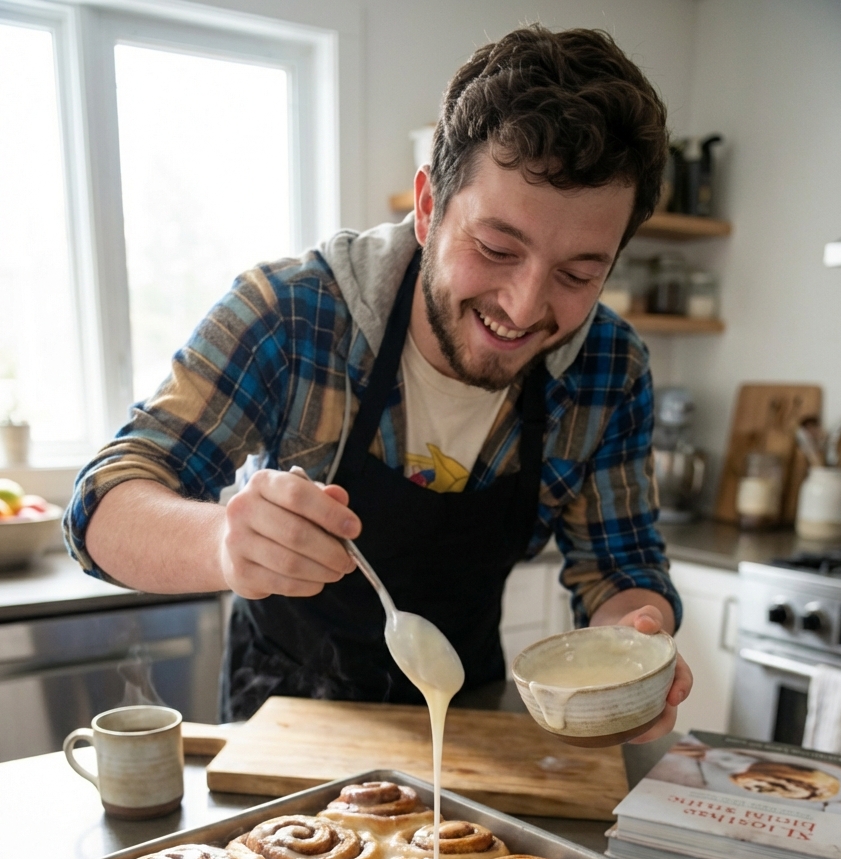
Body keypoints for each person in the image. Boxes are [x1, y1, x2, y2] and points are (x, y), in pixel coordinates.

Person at [64, 24, 692, 739]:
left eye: (578, 274)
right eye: (495, 249)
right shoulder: (294, 316)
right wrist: (220, 542)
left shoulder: (610, 370)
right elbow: (99, 511)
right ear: (427, 207)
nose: (523, 306)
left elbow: (622, 568)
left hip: (468, 731)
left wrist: (638, 646)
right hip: (284, 733)